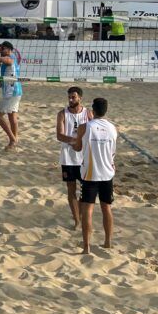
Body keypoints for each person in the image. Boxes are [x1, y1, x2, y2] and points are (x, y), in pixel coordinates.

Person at [72, 97, 117, 254]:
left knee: (87, 210)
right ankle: (108, 242)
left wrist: (74, 142)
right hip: (107, 173)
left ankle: (86, 247)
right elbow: (112, 152)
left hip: (90, 174)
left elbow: (77, 148)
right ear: (105, 111)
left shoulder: (85, 127)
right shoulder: (112, 128)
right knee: (107, 208)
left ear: (92, 110)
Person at [55, 87, 91, 229]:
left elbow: (93, 131)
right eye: (69, 97)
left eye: (73, 97)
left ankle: (81, 216)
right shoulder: (62, 114)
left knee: (84, 190)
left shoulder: (88, 113)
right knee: (71, 190)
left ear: (80, 98)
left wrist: (80, 143)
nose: (70, 100)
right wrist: (74, 141)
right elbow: (59, 135)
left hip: (83, 158)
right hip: (68, 158)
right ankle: (77, 220)